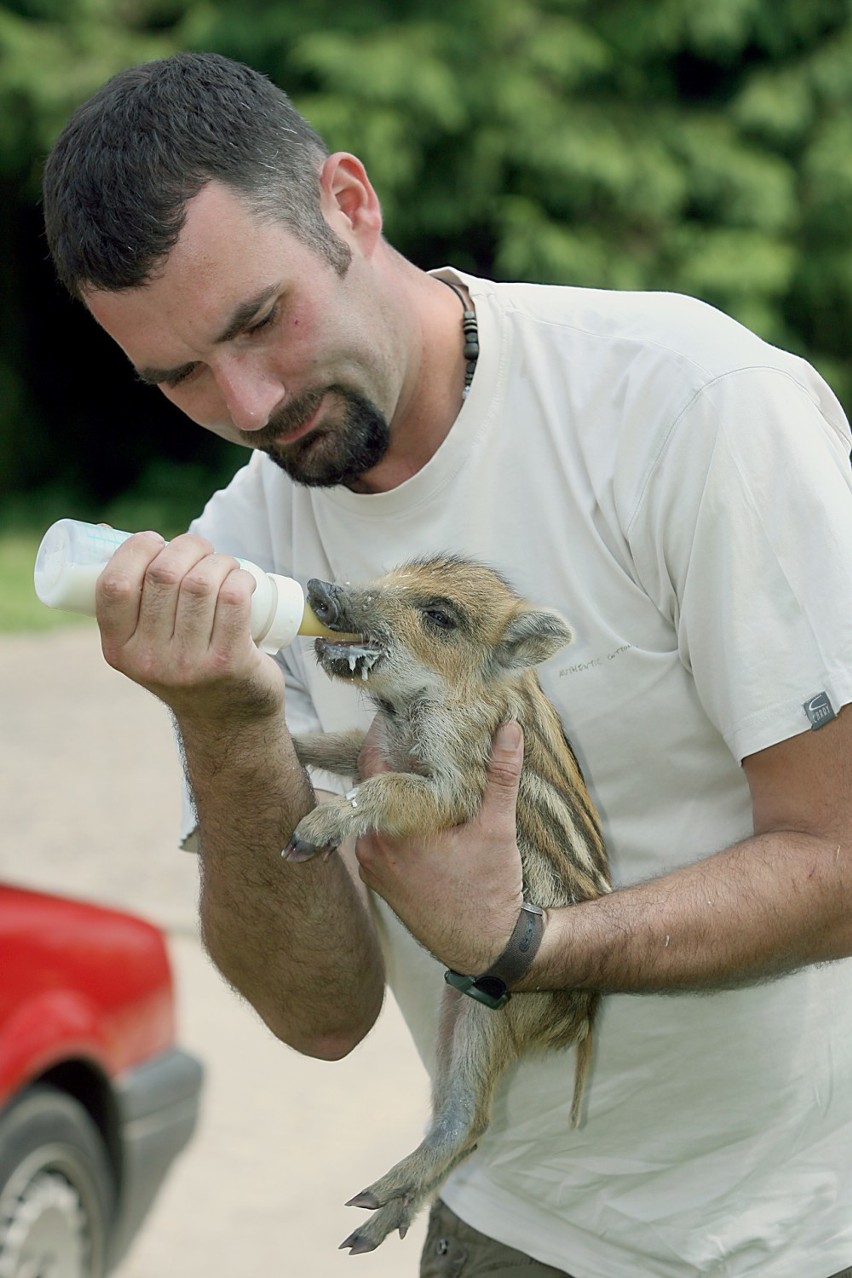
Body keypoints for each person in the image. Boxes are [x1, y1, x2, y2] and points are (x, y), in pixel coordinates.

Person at [42, 51, 852, 1278]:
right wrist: (226, 727)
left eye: (259, 322)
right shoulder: (242, 547)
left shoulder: (691, 406)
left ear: (349, 205)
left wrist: (524, 943)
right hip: (500, 1231)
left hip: (797, 1233)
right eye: (179, 378)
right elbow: (319, 1016)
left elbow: (840, 856)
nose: (250, 402)